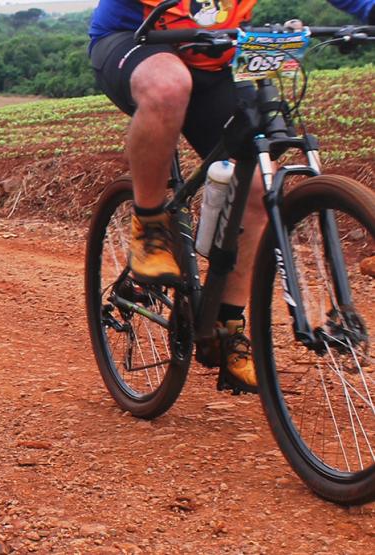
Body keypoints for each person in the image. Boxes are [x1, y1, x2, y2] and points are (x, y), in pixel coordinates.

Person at [87, 0, 375, 392]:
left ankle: (226, 326)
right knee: (170, 85)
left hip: (214, 57)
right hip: (135, 42)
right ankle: (150, 225)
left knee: (257, 184)